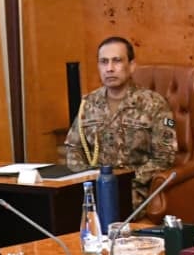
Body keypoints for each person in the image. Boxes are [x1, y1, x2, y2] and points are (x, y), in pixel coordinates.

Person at [62, 37, 177, 200]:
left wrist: (121, 181)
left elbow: (164, 157)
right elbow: (73, 148)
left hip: (133, 189)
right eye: (103, 62)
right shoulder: (88, 103)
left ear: (131, 66)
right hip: (93, 188)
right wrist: (87, 178)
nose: (109, 68)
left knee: (108, 209)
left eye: (116, 61)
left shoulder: (153, 103)